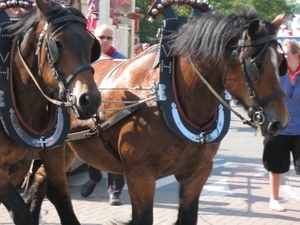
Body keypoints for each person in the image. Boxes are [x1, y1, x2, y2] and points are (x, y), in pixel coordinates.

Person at [81, 24, 126, 206]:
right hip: (92, 110)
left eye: (108, 37)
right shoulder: (85, 56)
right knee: (91, 146)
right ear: (95, 38)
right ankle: (94, 177)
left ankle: (114, 193)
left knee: (115, 152)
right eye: (101, 37)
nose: (105, 40)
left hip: (113, 111)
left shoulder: (120, 59)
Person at [263, 39, 300, 212]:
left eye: (285, 55)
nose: (282, 58)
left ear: (296, 55)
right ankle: (274, 199)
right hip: (279, 128)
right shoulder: (276, 73)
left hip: (299, 129)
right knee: (276, 166)